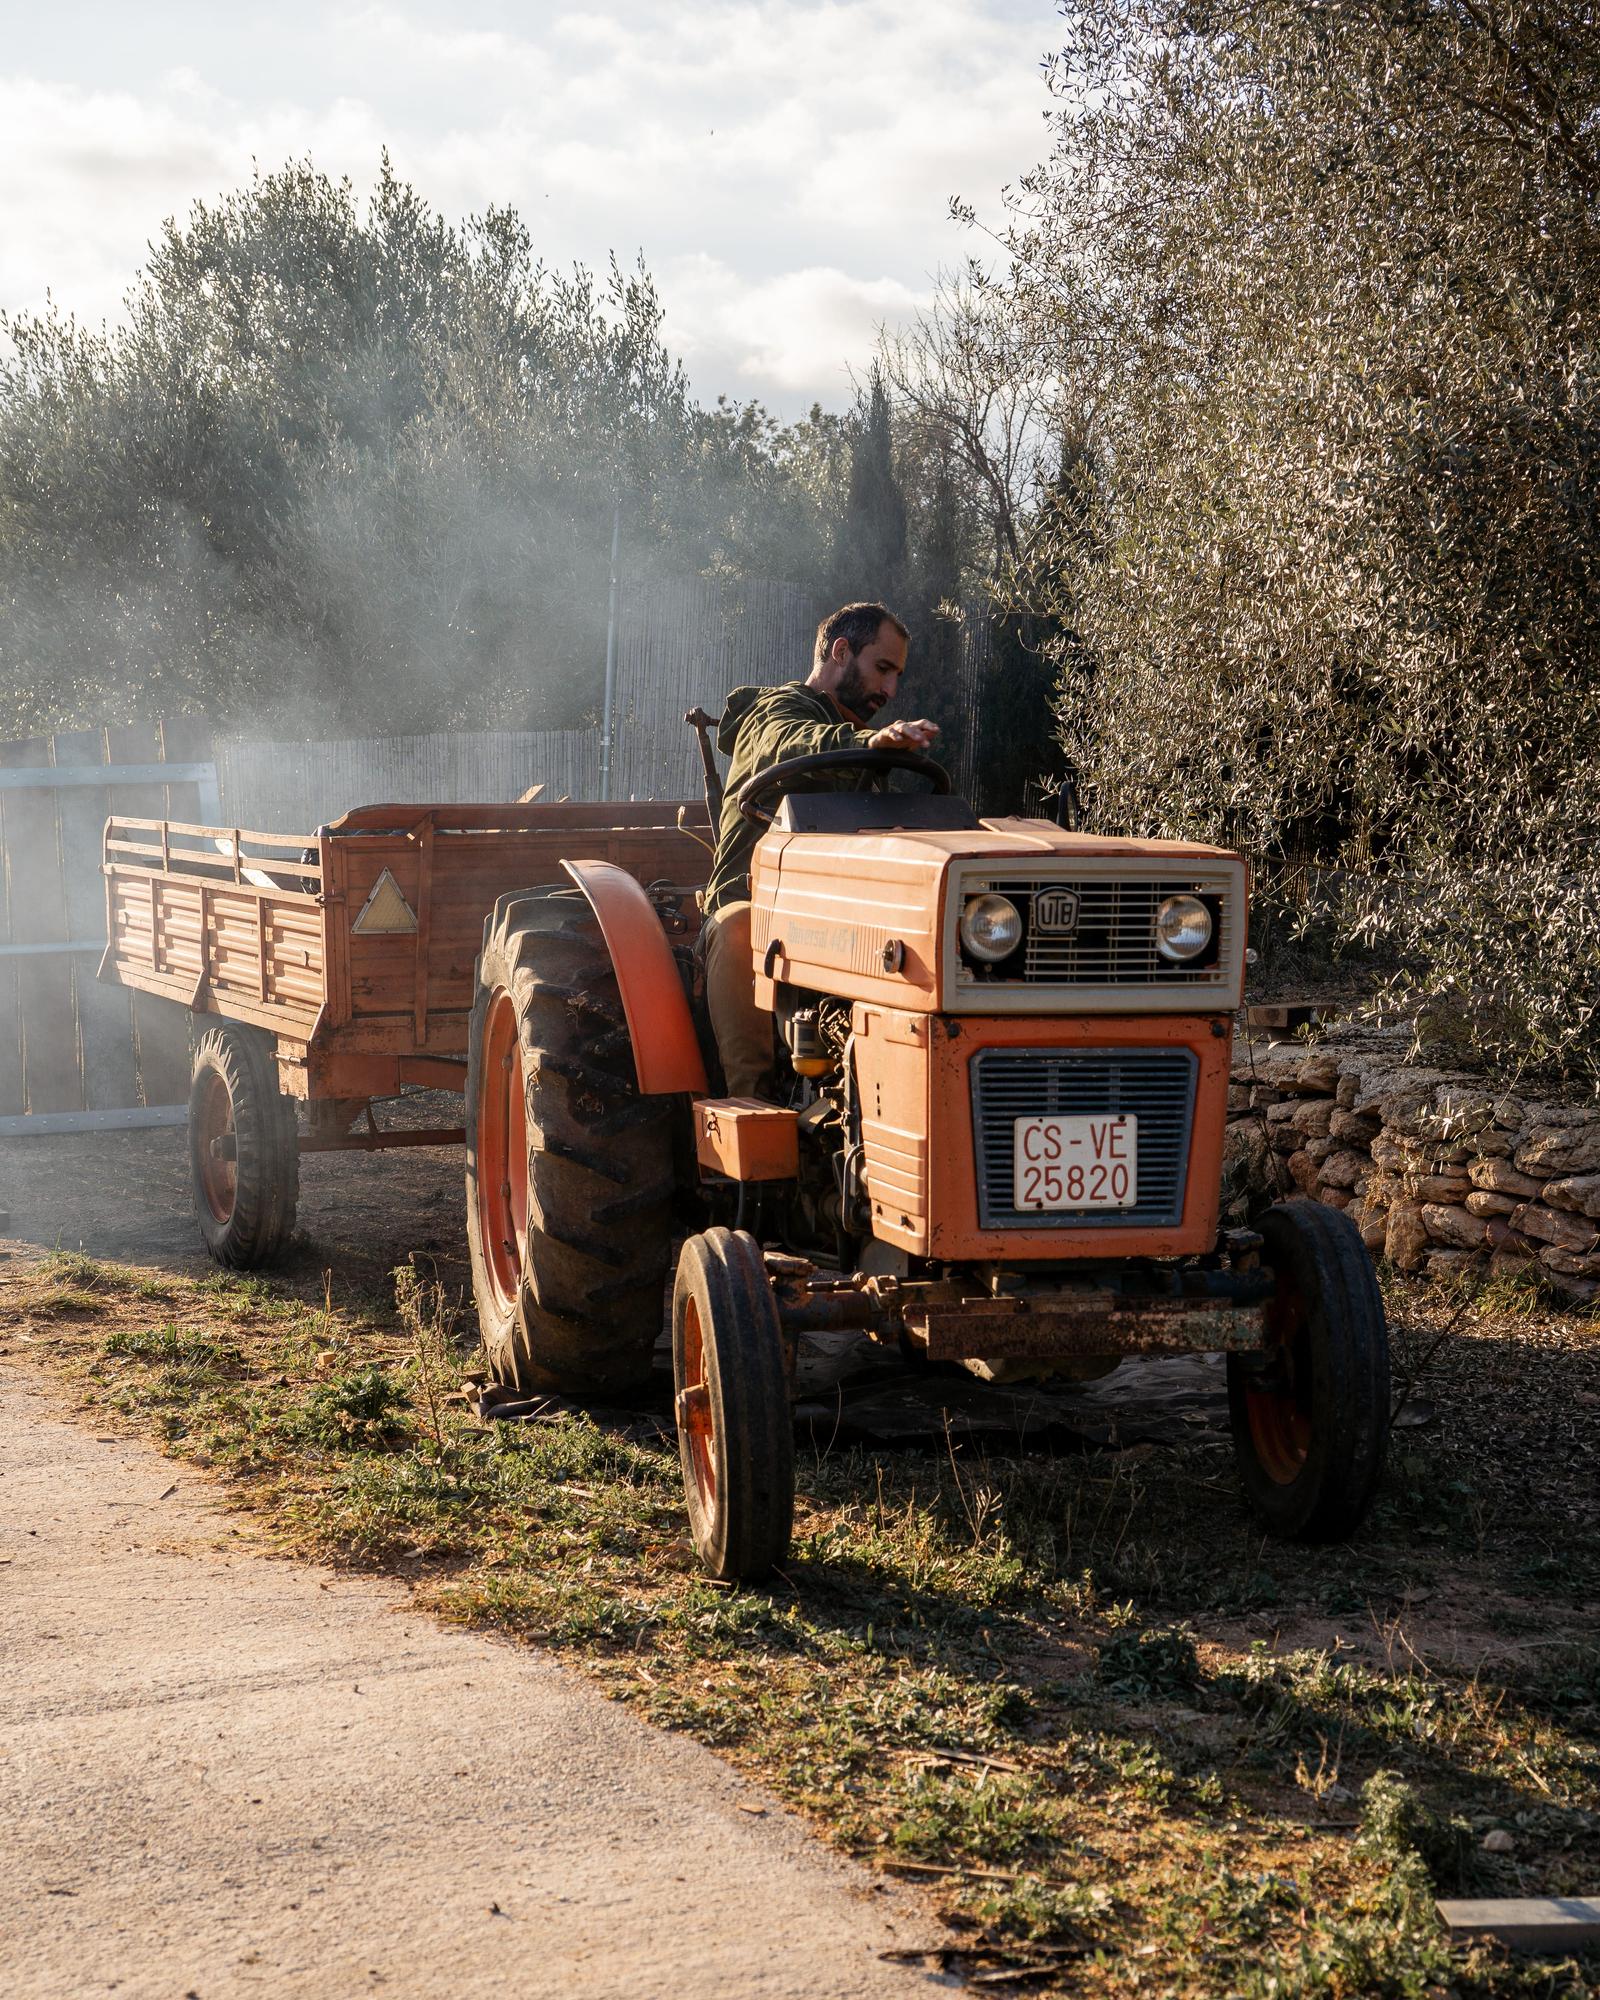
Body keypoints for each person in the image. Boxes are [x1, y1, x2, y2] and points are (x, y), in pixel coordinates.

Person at [700, 602, 940, 1098]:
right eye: (883, 669)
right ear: (841, 651)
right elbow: (791, 741)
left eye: (897, 676)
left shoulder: (862, 750)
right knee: (740, 924)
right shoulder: (776, 711)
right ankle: (752, 1106)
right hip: (756, 908)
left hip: (832, 917)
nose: (891, 691)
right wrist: (869, 741)